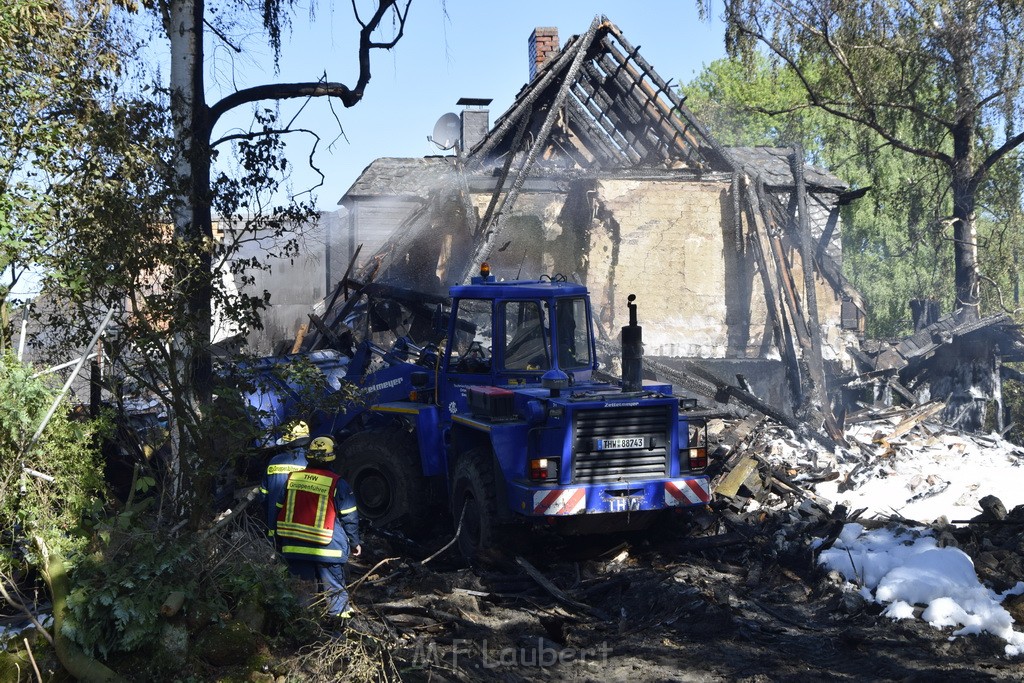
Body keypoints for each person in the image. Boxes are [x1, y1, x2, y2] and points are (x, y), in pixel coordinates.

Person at [275, 435, 362, 619]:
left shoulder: (292, 479)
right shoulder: (337, 483)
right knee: (335, 593)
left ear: (308, 456)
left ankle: (303, 628)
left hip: (294, 547)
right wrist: (354, 543)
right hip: (326, 549)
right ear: (332, 457)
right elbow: (350, 517)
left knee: (302, 594)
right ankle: (338, 633)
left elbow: (278, 509)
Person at [259, 420, 310, 537]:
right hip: (301, 531)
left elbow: (263, 496)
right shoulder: (310, 463)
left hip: (275, 528)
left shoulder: (274, 462)